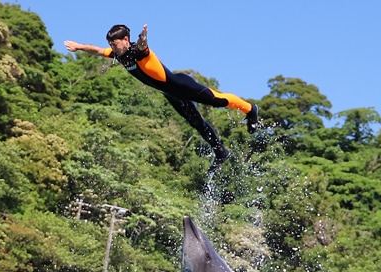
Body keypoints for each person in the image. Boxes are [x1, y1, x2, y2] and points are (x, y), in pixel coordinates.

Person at [64, 24, 259, 172]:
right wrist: (79, 47)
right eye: (110, 45)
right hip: (171, 94)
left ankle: (250, 110)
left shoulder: (137, 52)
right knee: (196, 123)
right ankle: (220, 151)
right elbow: (97, 51)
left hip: (181, 85)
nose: (112, 48)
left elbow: (142, 46)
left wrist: (143, 37)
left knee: (218, 100)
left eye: (114, 44)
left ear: (125, 39)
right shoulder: (119, 55)